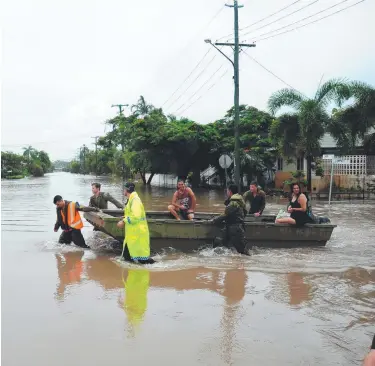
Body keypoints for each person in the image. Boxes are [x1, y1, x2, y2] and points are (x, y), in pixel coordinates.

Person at [116, 182, 155, 264]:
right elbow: (133, 213)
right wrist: (125, 217)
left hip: (138, 233)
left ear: (127, 190)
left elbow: (136, 216)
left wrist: (124, 221)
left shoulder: (135, 200)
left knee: (143, 260)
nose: (123, 191)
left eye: (124, 189)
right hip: (132, 233)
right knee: (126, 257)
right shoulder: (131, 199)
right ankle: (130, 272)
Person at [212, 184, 250, 255]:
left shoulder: (233, 203)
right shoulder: (239, 201)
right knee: (219, 242)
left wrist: (215, 220)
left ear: (230, 191)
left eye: (227, 190)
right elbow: (244, 212)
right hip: (232, 227)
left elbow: (225, 214)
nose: (226, 192)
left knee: (242, 251)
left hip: (235, 228)